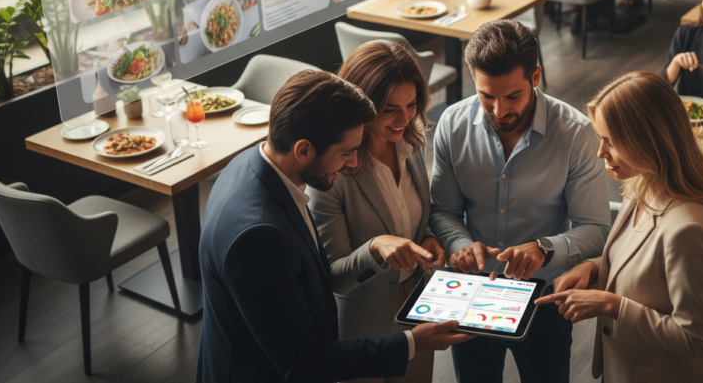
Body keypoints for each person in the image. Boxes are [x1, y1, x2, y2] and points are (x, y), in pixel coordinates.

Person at [197, 70, 470, 382]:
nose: (354, 162)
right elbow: (303, 364)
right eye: (346, 152)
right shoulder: (260, 238)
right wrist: (413, 342)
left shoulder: (248, 163)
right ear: (303, 150)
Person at [430, 19, 610, 383]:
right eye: (486, 96)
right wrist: (460, 244)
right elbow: (444, 211)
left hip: (543, 298)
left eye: (512, 96)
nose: (499, 111)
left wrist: (545, 248)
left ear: (536, 76)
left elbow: (596, 228)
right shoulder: (451, 124)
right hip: (472, 288)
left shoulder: (575, 134)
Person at [536, 70, 703, 383]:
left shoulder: (687, 229)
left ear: (646, 140)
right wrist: (594, 268)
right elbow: (639, 260)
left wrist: (613, 305)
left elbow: (697, 337)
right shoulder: (645, 182)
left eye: (610, 141)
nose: (600, 153)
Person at [306, 41, 443, 383]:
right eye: (389, 109)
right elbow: (335, 276)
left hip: (418, 303)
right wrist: (374, 249)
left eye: (412, 105)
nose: (404, 118)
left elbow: (419, 215)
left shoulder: (411, 143)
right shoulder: (334, 171)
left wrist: (428, 236)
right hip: (362, 323)